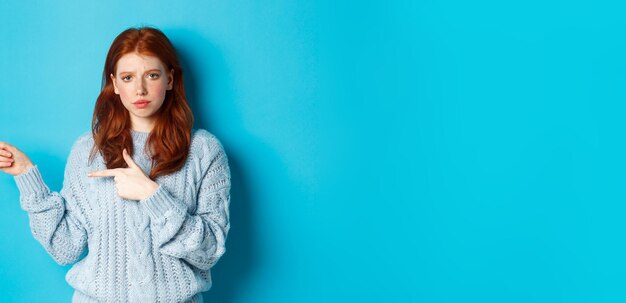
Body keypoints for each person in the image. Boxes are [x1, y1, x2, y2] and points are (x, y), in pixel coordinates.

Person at [0, 26, 231, 303]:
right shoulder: (89, 150)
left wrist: (151, 195)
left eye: (152, 75)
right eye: (128, 77)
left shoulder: (204, 151)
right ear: (115, 84)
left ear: (170, 79)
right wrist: (27, 177)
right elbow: (66, 248)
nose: (140, 89)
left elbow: (209, 252)